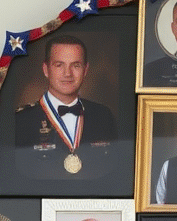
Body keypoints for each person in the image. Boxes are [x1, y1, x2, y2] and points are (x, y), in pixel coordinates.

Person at [15, 34, 117, 178]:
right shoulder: (21, 120)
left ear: (85, 70)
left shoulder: (103, 116)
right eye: (59, 65)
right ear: (46, 69)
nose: (67, 73)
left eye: (76, 65)